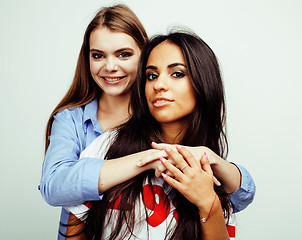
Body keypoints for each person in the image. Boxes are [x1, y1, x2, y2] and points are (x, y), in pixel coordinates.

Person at [39, 4, 255, 239]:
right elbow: (55, 186)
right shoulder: (89, 132)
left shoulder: (186, 141)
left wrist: (210, 176)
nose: (110, 67)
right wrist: (149, 158)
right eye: (98, 55)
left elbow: (242, 193)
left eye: (123, 54)